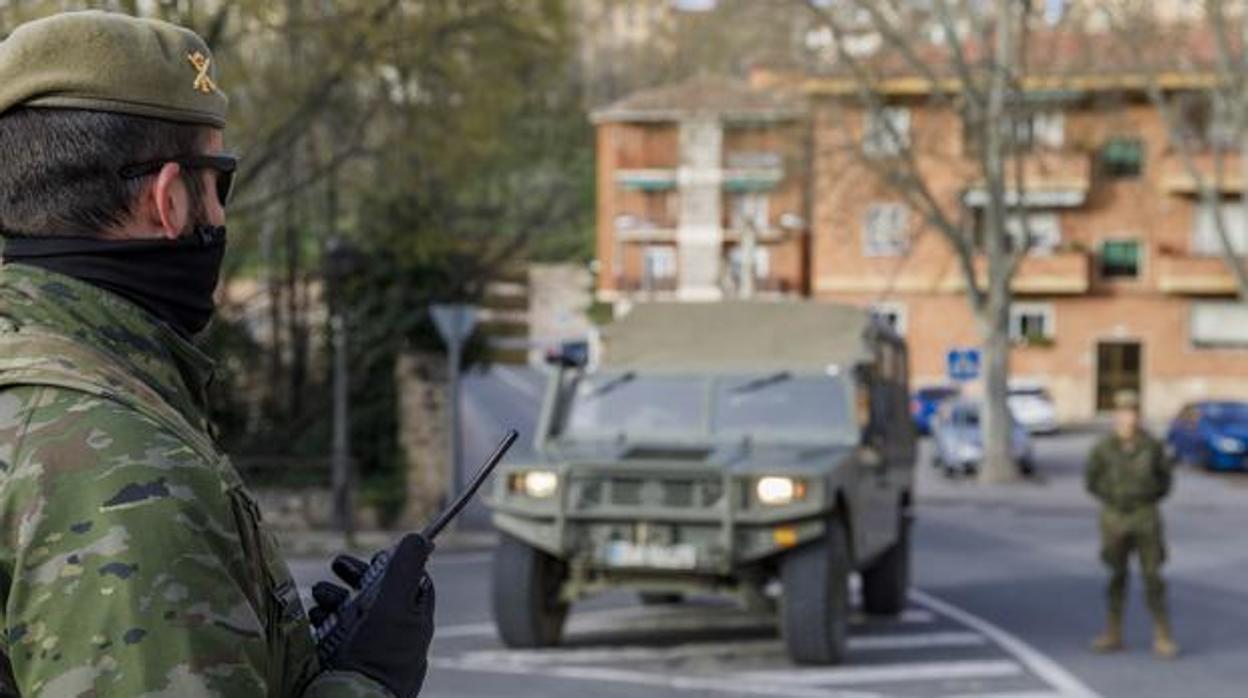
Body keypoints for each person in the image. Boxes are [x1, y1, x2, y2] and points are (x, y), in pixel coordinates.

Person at [0, 11, 433, 697]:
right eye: (218, 182)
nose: (221, 217)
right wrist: (366, 681)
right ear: (169, 198)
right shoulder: (126, 471)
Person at [1084, 389, 1178, 659]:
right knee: (1116, 576)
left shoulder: (1152, 446)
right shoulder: (1103, 448)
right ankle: (1113, 632)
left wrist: (1145, 497)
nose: (1128, 418)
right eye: (1123, 412)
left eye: (1133, 412)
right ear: (1116, 415)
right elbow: (1091, 480)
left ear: (1139, 414)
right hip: (1114, 517)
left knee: (1153, 577)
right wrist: (1113, 497)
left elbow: (1165, 481)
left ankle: (1163, 634)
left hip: (1146, 516)